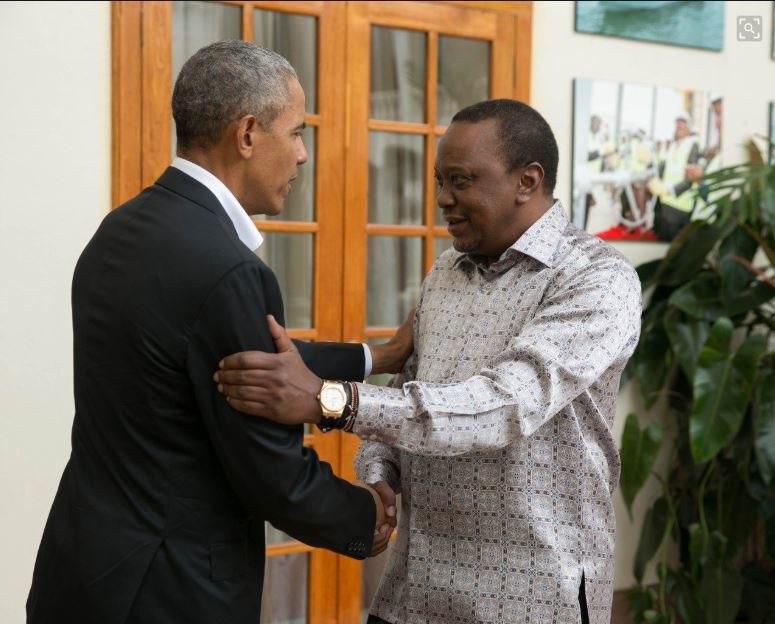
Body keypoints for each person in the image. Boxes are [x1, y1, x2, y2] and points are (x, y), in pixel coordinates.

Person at [26, 41, 411, 624]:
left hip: (81, 569)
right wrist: (366, 516)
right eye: (297, 132)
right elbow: (269, 474)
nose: (304, 155)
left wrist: (374, 356)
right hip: (170, 590)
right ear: (248, 134)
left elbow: (210, 358)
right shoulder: (230, 271)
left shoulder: (119, 230)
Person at [215, 99, 643, 624]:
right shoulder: (446, 271)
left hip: (531, 598)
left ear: (527, 181)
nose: (443, 199)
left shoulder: (597, 279)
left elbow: (502, 406)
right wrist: (379, 478)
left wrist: (329, 398)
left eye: (461, 180)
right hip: (413, 596)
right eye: (441, 180)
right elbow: (410, 386)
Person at [648, 114, 701, 240]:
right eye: (677, 123)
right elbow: (663, 167)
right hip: (666, 201)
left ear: (688, 128)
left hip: (681, 204)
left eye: (682, 123)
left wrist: (670, 190)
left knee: (673, 243)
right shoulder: (673, 145)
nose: (678, 126)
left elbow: (691, 176)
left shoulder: (693, 145)